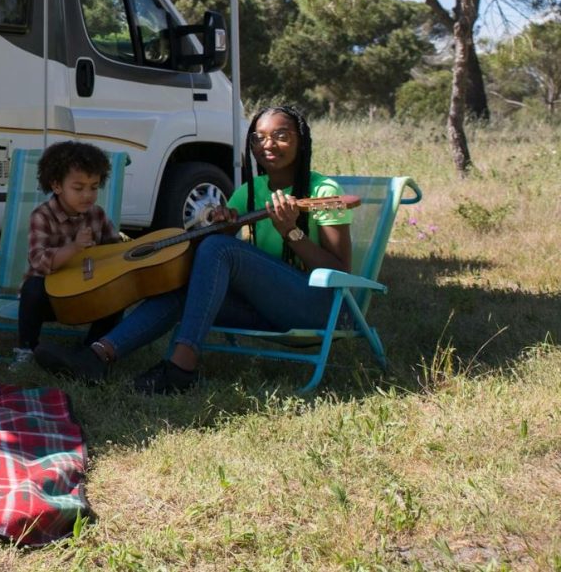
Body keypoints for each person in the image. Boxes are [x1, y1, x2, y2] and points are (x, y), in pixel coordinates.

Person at [35, 105, 354, 394]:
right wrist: (222, 223)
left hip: (318, 310)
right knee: (187, 276)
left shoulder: (322, 190)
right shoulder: (250, 192)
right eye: (258, 138)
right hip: (265, 310)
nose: (267, 145)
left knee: (220, 248)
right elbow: (210, 259)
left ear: (302, 140)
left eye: (281, 136)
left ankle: (180, 367)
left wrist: (292, 232)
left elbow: (341, 273)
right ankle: (97, 356)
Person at [19, 141, 123, 366]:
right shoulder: (42, 216)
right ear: (57, 186)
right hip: (52, 301)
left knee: (119, 292)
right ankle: (26, 349)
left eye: (94, 187)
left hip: (86, 294)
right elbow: (38, 262)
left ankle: (92, 350)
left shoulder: (97, 215)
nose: (88, 195)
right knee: (32, 289)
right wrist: (74, 248)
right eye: (79, 188)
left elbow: (115, 251)